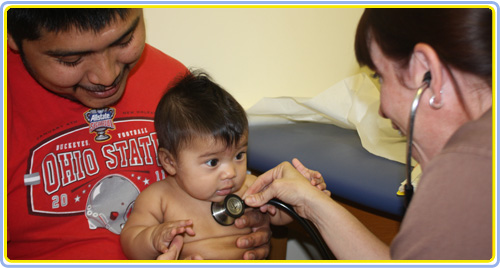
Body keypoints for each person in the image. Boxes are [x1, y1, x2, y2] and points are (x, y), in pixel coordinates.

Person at [7, 8, 271, 260]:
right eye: (71, 60)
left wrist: (254, 219)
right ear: (11, 36)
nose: (106, 76)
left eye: (124, 41)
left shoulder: (178, 91)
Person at [243, 8, 492, 260]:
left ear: (424, 69)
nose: (382, 110)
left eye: (380, 77)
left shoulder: (465, 170)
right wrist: (311, 203)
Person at [120, 71, 329, 260]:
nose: (231, 172)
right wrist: (153, 238)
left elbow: (282, 215)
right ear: (170, 162)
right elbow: (130, 241)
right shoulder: (159, 198)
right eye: (212, 162)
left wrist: (305, 194)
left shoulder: (250, 186)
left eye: (239, 155)